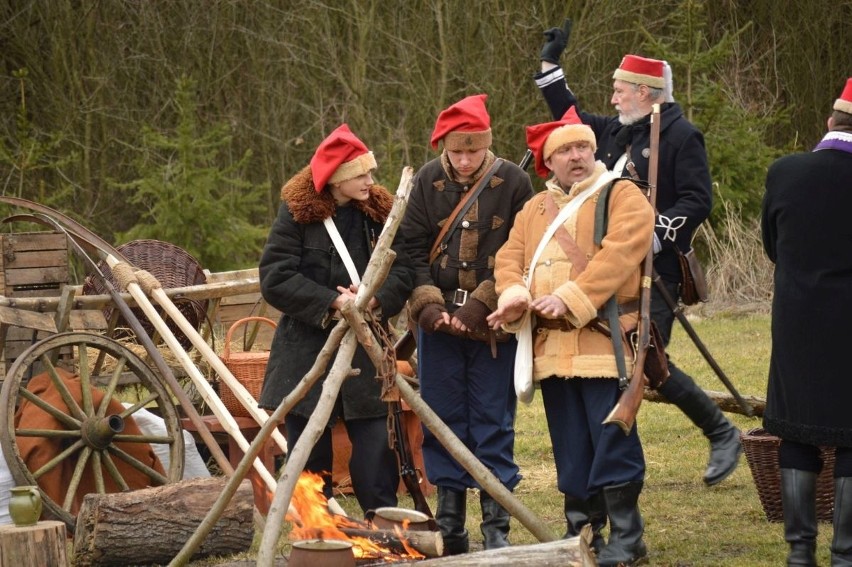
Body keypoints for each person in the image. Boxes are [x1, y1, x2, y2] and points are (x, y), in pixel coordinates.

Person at [535, 28, 742, 488]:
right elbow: (568, 117)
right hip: (608, 265)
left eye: (619, 90)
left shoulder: (683, 135)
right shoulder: (614, 131)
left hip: (656, 266)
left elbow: (696, 200)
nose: (611, 98)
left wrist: (649, 235)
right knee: (634, 360)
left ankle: (721, 431)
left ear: (644, 94)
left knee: (646, 361)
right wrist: (551, 67)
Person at [487, 107, 655, 566]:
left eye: (582, 146)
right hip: (553, 349)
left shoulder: (621, 195)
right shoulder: (533, 209)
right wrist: (516, 294)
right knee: (570, 445)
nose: (575, 156)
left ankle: (627, 534)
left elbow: (621, 253)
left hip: (605, 341)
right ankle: (582, 526)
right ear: (550, 162)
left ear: (593, 150)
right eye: (564, 151)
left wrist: (572, 296)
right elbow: (508, 259)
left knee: (612, 439)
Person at [400, 94, 534, 553]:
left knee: (494, 421)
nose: (462, 160)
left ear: (486, 145)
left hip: (493, 323)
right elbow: (413, 249)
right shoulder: (426, 180)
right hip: (436, 326)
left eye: (471, 151)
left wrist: (481, 303)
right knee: (442, 420)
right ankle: (453, 530)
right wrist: (429, 306)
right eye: (455, 151)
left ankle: (497, 531)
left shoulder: (515, 181)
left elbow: (524, 251)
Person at [257, 124, 414, 515]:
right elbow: (275, 277)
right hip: (307, 351)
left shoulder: (380, 211)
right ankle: (317, 536)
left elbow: (405, 268)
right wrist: (331, 302)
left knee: (377, 447)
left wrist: (376, 299)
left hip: (367, 348)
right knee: (310, 453)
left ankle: (385, 532)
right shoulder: (296, 213)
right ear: (338, 178)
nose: (369, 180)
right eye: (360, 173)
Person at [760, 78, 852, 567]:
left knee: (797, 430)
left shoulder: (785, 171)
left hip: (797, 316)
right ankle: (846, 554)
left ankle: (800, 553)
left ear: (829, 122)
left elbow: (772, 246)